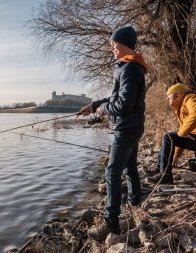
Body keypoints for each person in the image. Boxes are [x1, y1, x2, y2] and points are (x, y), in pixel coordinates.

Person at [78, 26, 148, 241]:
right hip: (132, 126)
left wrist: (103, 110)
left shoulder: (130, 69)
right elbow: (116, 97)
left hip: (126, 128)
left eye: (114, 44)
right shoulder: (129, 66)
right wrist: (94, 104)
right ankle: (135, 203)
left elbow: (124, 105)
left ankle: (111, 223)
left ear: (125, 43)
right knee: (130, 166)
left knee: (111, 173)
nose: (111, 48)